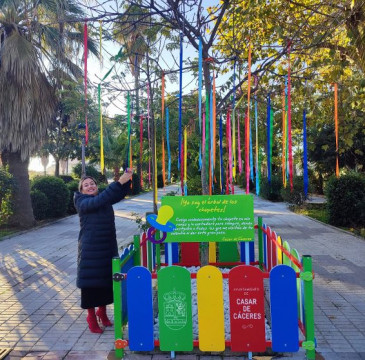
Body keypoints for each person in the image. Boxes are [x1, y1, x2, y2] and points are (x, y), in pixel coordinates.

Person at [74, 169, 133, 333]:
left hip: (107, 246)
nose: (90, 186)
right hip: (90, 249)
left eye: (92, 183)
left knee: (106, 281)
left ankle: (102, 311)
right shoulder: (82, 202)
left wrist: (126, 180)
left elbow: (116, 195)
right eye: (86, 185)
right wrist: (118, 182)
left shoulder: (103, 199)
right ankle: (91, 316)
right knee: (91, 284)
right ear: (81, 190)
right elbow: (101, 198)